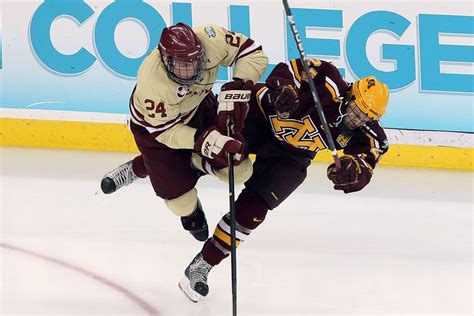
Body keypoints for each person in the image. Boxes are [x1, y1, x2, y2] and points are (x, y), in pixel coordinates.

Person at [178, 57, 390, 302]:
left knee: (254, 211)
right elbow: (289, 69)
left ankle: (203, 264)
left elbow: (366, 164)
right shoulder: (327, 78)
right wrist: (284, 88)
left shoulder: (368, 133)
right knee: (220, 154)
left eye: (366, 118)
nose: (358, 121)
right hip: (258, 118)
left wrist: (353, 173)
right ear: (350, 96)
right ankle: (167, 169)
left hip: (291, 154)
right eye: (356, 111)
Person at [100, 22, 268, 242]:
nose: (191, 70)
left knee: (240, 171)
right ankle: (142, 167)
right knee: (181, 204)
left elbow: (253, 52)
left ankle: (186, 162)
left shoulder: (212, 39)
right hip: (156, 132)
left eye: (194, 61)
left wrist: (238, 88)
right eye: (182, 64)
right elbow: (167, 133)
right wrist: (203, 141)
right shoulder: (152, 83)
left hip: (198, 108)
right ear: (166, 60)